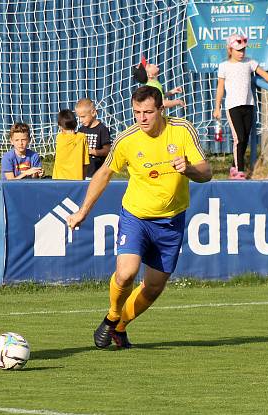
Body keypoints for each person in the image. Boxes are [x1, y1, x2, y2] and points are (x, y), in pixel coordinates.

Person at [66, 86, 212, 349]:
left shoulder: (182, 130)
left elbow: (206, 172)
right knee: (126, 273)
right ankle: (111, 317)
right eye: (136, 112)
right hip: (136, 218)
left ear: (160, 110)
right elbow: (103, 175)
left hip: (171, 221)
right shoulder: (127, 139)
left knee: (154, 287)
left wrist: (189, 168)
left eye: (147, 112)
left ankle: (119, 327)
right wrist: (82, 211)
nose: (142, 118)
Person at [213, 33, 268, 180]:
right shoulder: (224, 66)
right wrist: (217, 107)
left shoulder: (250, 62)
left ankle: (233, 166)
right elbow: (220, 88)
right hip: (233, 107)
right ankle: (240, 171)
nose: (241, 53)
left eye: (243, 50)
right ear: (230, 50)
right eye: (238, 50)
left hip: (248, 105)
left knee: (245, 138)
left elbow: (262, 72)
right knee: (239, 138)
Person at [75, 98, 112, 178]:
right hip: (83, 171)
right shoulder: (81, 130)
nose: (81, 120)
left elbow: (107, 151)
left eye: (83, 117)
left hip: (97, 172)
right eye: (79, 117)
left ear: (93, 113)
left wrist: (90, 151)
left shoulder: (102, 129)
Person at [52, 109, 89, 180]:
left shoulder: (59, 137)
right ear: (75, 123)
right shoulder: (82, 137)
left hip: (58, 180)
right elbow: (86, 163)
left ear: (60, 126)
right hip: (77, 180)